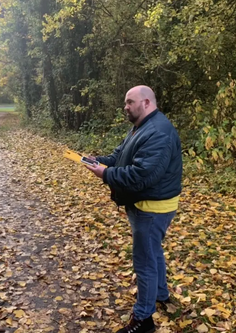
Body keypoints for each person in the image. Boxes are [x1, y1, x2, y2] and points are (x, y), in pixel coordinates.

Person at [85, 85, 182, 333]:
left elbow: (142, 176)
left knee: (145, 261)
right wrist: (99, 161)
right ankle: (161, 294)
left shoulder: (159, 132)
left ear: (147, 102)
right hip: (146, 204)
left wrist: (106, 174)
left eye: (130, 102)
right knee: (152, 251)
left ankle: (143, 319)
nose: (125, 107)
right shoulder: (141, 126)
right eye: (125, 102)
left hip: (152, 208)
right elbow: (121, 155)